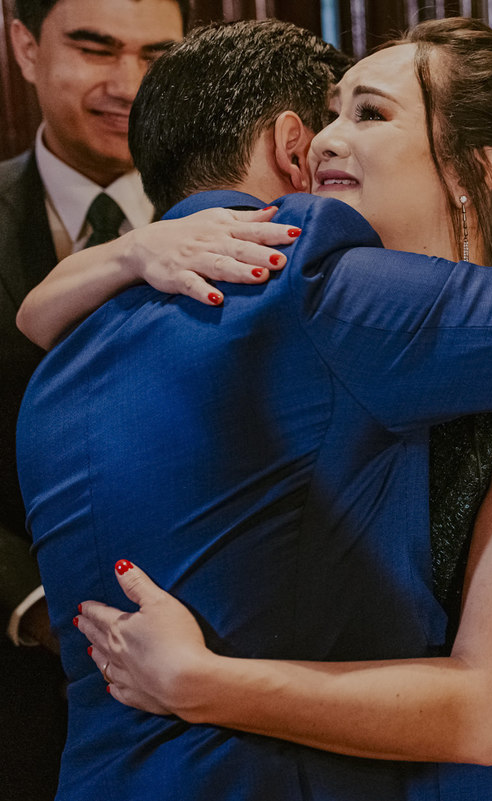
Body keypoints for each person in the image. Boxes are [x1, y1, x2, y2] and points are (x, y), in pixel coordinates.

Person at [16, 18, 492, 801]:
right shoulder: (299, 300)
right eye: (329, 114)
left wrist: (202, 679)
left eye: (367, 114)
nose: (323, 143)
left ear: (470, 170)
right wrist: (127, 251)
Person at [0, 0, 186, 797]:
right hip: (19, 684)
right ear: (25, 46)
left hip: (223, 679)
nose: (129, 85)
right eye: (95, 48)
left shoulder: (255, 214)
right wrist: (38, 605)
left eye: (157, 56)